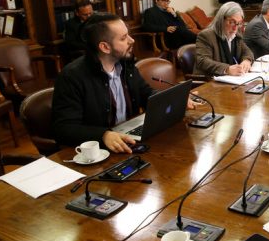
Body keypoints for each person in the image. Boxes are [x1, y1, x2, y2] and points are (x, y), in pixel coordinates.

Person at [52, 13, 199, 153]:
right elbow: (63, 128)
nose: (132, 40)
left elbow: (146, 94)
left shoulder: (125, 64)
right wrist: (103, 135)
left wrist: (173, 99)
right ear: (105, 47)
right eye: (123, 38)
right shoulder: (72, 76)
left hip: (131, 141)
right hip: (99, 150)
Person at [194, 1, 254, 76]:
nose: (235, 28)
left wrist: (247, 60)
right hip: (209, 80)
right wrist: (227, 69)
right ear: (221, 19)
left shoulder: (236, 34)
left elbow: (247, 51)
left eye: (239, 23)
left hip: (231, 80)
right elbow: (203, 61)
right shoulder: (206, 36)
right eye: (232, 22)